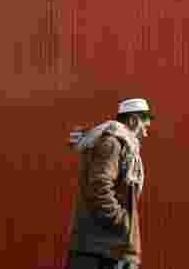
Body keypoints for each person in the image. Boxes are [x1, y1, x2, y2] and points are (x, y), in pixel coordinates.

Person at [65, 98, 154, 269]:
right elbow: (99, 186)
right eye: (144, 126)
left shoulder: (114, 143)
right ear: (133, 120)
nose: (145, 133)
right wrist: (122, 221)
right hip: (106, 250)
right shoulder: (112, 143)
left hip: (102, 247)